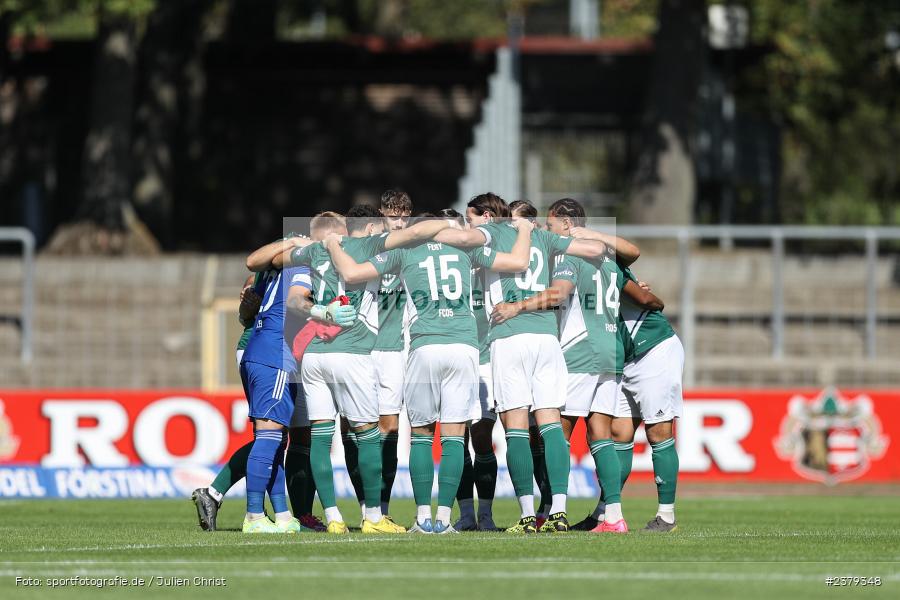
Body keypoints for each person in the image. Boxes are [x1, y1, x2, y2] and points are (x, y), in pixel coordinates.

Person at [324, 212, 532, 533]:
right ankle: (446, 521)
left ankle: (422, 518)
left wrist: (333, 245)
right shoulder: (468, 251)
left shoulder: (404, 251)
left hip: (424, 346)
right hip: (464, 347)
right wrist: (526, 229)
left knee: (421, 435)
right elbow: (518, 262)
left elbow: (351, 272)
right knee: (453, 437)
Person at [432, 193, 607, 533]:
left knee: (515, 430)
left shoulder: (491, 234)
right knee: (551, 426)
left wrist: (420, 231)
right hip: (546, 339)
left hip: (509, 335)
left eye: (473, 218)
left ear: (486, 216)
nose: (471, 224)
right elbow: (595, 250)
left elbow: (466, 238)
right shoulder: (542, 236)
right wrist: (567, 233)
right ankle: (558, 510)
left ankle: (528, 514)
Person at [277, 205, 451, 534]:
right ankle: (373, 516)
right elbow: (414, 233)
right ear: (368, 227)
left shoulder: (314, 251)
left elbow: (270, 268)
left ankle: (332, 518)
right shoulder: (368, 245)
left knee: (320, 437)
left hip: (315, 355)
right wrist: (448, 223)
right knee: (368, 435)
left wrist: (304, 246)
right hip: (352, 352)